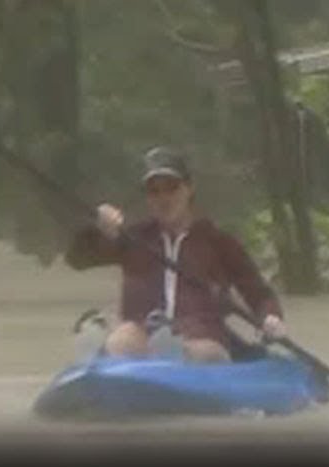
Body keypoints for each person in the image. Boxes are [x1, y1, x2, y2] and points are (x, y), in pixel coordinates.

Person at [65, 147, 288, 364]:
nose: (163, 197)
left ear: (189, 188)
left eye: (171, 187)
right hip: (141, 331)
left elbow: (259, 294)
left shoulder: (219, 242)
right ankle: (104, 353)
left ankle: (171, 354)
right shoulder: (131, 238)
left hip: (201, 336)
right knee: (125, 338)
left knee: (206, 353)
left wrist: (271, 317)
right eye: (154, 191)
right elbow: (77, 260)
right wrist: (98, 230)